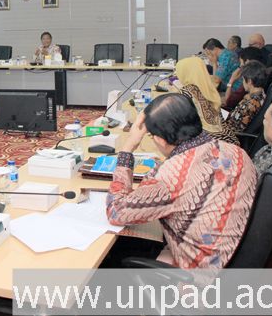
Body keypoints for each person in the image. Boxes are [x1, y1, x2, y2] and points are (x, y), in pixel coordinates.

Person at [106, 93, 258, 269]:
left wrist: (127, 148)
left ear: (160, 140)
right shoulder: (236, 151)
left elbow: (116, 212)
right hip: (234, 259)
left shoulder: (169, 177)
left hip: (200, 278)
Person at [171, 56, 238, 144]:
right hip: (229, 140)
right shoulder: (209, 87)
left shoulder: (186, 92)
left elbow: (175, 123)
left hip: (208, 144)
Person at [224, 61, 267, 133]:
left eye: (243, 79)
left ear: (249, 81)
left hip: (228, 133)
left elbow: (235, 129)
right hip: (229, 121)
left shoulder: (250, 103)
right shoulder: (260, 94)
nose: (242, 82)